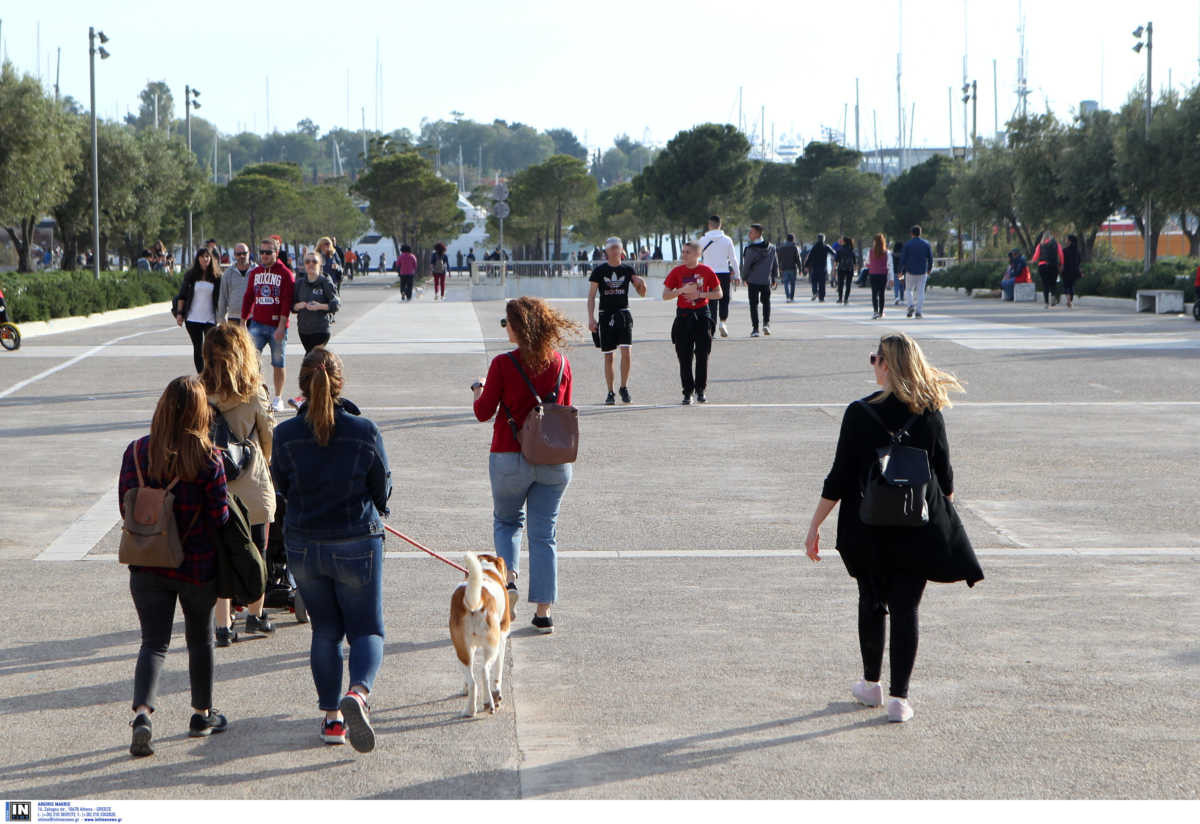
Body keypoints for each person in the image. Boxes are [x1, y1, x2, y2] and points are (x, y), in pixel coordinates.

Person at [803, 333, 982, 723]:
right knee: (907, 608)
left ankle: (871, 685)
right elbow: (945, 479)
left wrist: (815, 525)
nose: (872, 364)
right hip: (915, 526)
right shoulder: (929, 412)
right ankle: (900, 699)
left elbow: (838, 478)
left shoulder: (858, 412)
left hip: (866, 528)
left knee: (871, 600)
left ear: (887, 364)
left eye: (874, 358)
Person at [272, 347, 392, 752]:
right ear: (339, 382)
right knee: (367, 630)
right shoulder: (364, 430)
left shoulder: (284, 434)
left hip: (305, 543)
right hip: (357, 539)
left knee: (325, 631)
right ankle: (357, 694)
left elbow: (280, 489)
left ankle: (331, 719)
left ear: (302, 384)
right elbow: (382, 488)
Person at [122, 376, 231, 757]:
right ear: (201, 412)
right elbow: (220, 516)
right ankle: (201, 715)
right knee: (200, 639)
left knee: (153, 642)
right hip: (196, 564)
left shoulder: (136, 452)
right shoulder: (208, 458)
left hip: (148, 561)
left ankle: (142, 715)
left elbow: (126, 504)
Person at [472, 298, 578, 634]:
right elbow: (564, 409)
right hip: (553, 459)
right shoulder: (561, 363)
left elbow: (483, 411)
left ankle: (510, 581)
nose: (505, 329)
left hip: (509, 455)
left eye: (507, 323)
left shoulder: (503, 364)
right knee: (544, 535)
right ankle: (544, 612)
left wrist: (479, 391)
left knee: (506, 521)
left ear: (518, 327)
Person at [201, 324, 278, 646]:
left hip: (213, 486)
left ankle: (223, 624)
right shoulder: (255, 390)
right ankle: (256, 616)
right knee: (256, 550)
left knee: (220, 553)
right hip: (251, 484)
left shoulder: (200, 391)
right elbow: (269, 436)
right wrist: (264, 460)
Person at [588, 236, 647, 404]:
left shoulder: (628, 270)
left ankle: (624, 387)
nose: (615, 251)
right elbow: (591, 296)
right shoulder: (599, 271)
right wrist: (591, 318)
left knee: (626, 352)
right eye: (612, 248)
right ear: (606, 251)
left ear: (622, 250)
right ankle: (610, 391)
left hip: (623, 313)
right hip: (605, 314)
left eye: (617, 248)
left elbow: (642, 293)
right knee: (608, 356)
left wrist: (642, 284)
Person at [663, 239, 723, 404]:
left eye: (687, 252)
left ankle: (700, 390)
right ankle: (687, 392)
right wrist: (681, 290)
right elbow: (665, 295)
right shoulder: (677, 272)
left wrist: (700, 295)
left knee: (703, 354)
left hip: (702, 315)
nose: (684, 255)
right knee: (684, 356)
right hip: (683, 316)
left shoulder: (707, 271)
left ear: (698, 254)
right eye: (683, 252)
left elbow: (719, 294)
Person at [240, 237, 295, 412]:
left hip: (277, 326)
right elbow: (249, 296)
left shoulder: (285, 273)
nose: (264, 255)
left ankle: (278, 398)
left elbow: (286, 302)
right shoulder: (255, 273)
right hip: (257, 323)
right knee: (250, 360)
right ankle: (254, 393)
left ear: (276, 253)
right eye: (262, 252)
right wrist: (242, 322)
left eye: (268, 252)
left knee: (278, 362)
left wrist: (281, 326)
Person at [174, 247, 222, 373]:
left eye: (207, 256)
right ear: (198, 259)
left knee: (211, 348)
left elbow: (222, 298)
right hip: (193, 318)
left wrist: (222, 315)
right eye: (202, 257)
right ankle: (201, 375)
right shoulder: (191, 275)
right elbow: (182, 296)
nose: (205, 259)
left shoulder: (217, 277)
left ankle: (211, 374)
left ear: (211, 258)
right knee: (198, 348)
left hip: (210, 318)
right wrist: (179, 314)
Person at [699, 215, 741, 337]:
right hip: (723, 273)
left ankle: (711, 330)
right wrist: (737, 275)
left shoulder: (703, 240)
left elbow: (696, 256)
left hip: (708, 273)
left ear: (709, 225)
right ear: (720, 225)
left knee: (711, 301)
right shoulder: (727, 240)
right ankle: (723, 322)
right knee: (724, 298)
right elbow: (733, 259)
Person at [293, 250, 341, 354]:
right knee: (312, 361)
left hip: (321, 329)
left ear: (319, 264)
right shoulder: (299, 283)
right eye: (307, 262)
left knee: (313, 360)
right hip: (304, 330)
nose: (311, 264)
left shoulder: (325, 282)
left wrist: (320, 306)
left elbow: (336, 304)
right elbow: (292, 306)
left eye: (314, 262)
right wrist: (298, 306)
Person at [741, 223, 779, 337]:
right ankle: (766, 324)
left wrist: (744, 277)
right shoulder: (772, 247)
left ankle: (755, 329)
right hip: (766, 280)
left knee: (753, 304)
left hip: (753, 280)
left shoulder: (750, 249)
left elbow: (746, 265)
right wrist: (774, 278)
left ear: (757, 234)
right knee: (766, 302)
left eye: (751, 232)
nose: (749, 234)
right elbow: (775, 264)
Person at [216, 243, 254, 324]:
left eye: (244, 253)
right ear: (234, 255)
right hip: (234, 318)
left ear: (249, 253)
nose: (242, 256)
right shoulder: (228, 274)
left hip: (254, 318)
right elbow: (223, 297)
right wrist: (221, 319)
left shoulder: (257, 271)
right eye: (238, 254)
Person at [901, 226, 934, 318]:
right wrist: (929, 269)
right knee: (921, 292)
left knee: (908, 290)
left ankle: (910, 305)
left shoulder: (908, 244)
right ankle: (919, 312)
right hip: (922, 271)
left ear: (912, 233)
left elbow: (903, 259)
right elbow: (930, 258)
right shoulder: (926, 244)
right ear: (920, 233)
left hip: (910, 271)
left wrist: (900, 272)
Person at [1032, 232, 1065, 309]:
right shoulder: (1057, 245)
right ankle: (1053, 296)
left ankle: (1046, 303)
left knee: (1045, 284)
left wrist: (1032, 261)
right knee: (1053, 283)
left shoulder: (1040, 246)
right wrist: (1062, 264)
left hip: (1042, 265)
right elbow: (1061, 254)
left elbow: (1035, 257)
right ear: (1051, 237)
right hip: (1053, 265)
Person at [867, 233, 895, 319]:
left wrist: (871, 266)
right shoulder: (887, 253)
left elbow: (867, 262)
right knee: (882, 293)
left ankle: (875, 311)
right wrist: (891, 279)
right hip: (883, 274)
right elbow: (890, 266)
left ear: (874, 242)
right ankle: (881, 312)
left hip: (873, 274)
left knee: (874, 293)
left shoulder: (871, 251)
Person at [803, 234, 836, 302]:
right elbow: (834, 253)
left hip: (814, 267)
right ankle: (821, 297)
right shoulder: (826, 246)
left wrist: (806, 266)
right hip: (823, 267)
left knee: (814, 281)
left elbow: (810, 257)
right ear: (824, 239)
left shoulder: (814, 247)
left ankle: (815, 292)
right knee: (822, 283)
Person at [777, 233, 803, 302]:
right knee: (792, 283)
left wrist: (779, 267)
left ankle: (787, 297)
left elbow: (779, 258)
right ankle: (791, 297)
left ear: (786, 239)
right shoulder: (794, 247)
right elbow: (798, 259)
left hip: (784, 268)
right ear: (793, 239)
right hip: (792, 268)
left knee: (785, 283)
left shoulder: (781, 247)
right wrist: (800, 269)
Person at [835, 237, 857, 305]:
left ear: (844, 242)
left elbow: (836, 261)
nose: (841, 242)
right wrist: (855, 268)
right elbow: (854, 262)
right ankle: (846, 299)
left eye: (842, 241)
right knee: (848, 284)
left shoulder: (840, 250)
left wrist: (835, 267)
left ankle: (840, 298)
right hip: (850, 269)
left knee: (840, 284)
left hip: (841, 268)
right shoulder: (852, 250)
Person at [891, 241, 906, 305]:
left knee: (896, 285)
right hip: (901, 272)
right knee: (901, 285)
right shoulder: (903, 255)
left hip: (895, 271)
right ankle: (902, 298)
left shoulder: (893, 255)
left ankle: (896, 297)